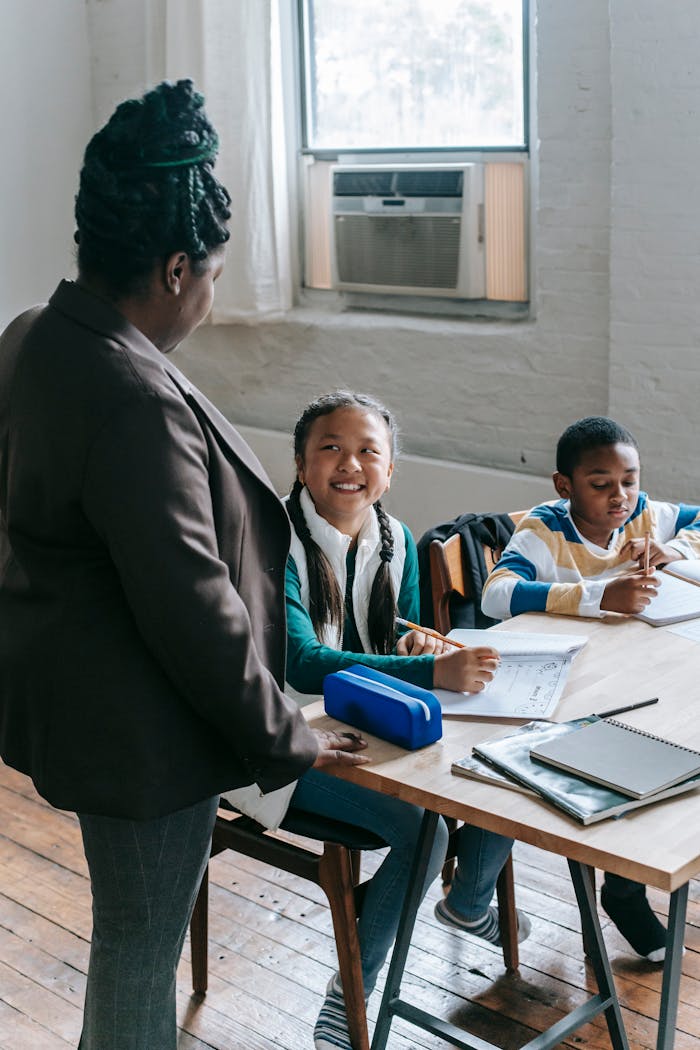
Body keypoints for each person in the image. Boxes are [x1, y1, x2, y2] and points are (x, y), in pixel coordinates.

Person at [0, 81, 367, 1050]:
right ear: (172, 270)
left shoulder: (37, 338)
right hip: (143, 730)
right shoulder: (132, 395)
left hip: (77, 698)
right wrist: (284, 733)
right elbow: (193, 605)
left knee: (129, 938)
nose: (208, 297)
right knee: (138, 947)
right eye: (208, 275)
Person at [283, 390, 530, 1050]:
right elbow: (303, 664)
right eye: (330, 447)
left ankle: (469, 901)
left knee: (504, 759)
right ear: (301, 464)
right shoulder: (273, 539)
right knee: (423, 831)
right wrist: (429, 672)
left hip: (367, 717)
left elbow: (395, 637)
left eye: (370, 450)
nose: (350, 463)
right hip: (284, 736)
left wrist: (417, 647)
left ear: (391, 470)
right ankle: (354, 990)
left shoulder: (392, 536)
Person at [480, 415, 700, 962]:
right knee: (640, 749)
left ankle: (629, 881)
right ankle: (623, 889)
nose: (620, 496)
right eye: (601, 484)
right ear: (565, 487)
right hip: (567, 688)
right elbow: (495, 596)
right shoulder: (544, 529)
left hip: (630, 668)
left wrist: (676, 551)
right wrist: (597, 596)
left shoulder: (648, 513)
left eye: (629, 480)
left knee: (674, 727)